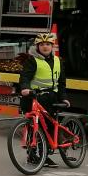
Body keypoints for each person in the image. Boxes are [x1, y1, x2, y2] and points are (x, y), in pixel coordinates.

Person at [18, 32, 69, 167]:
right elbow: (25, 77)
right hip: (34, 97)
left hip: (51, 98)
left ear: (52, 46)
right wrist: (25, 88)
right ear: (37, 46)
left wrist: (64, 97)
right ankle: (34, 155)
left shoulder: (58, 61)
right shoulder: (32, 60)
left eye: (48, 44)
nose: (45, 47)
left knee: (49, 127)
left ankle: (44, 155)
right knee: (34, 127)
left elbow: (62, 82)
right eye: (42, 44)